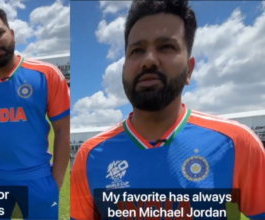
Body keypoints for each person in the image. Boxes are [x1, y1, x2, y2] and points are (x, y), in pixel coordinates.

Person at [70, 1, 265, 220]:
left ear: (189, 69)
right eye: (137, 50)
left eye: (166, 47)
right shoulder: (90, 156)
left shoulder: (238, 144)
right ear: (124, 68)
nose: (148, 60)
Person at [0, 4, 70, 220]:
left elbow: (63, 130)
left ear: (11, 34)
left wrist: (54, 183)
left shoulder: (47, 75)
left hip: (38, 179)